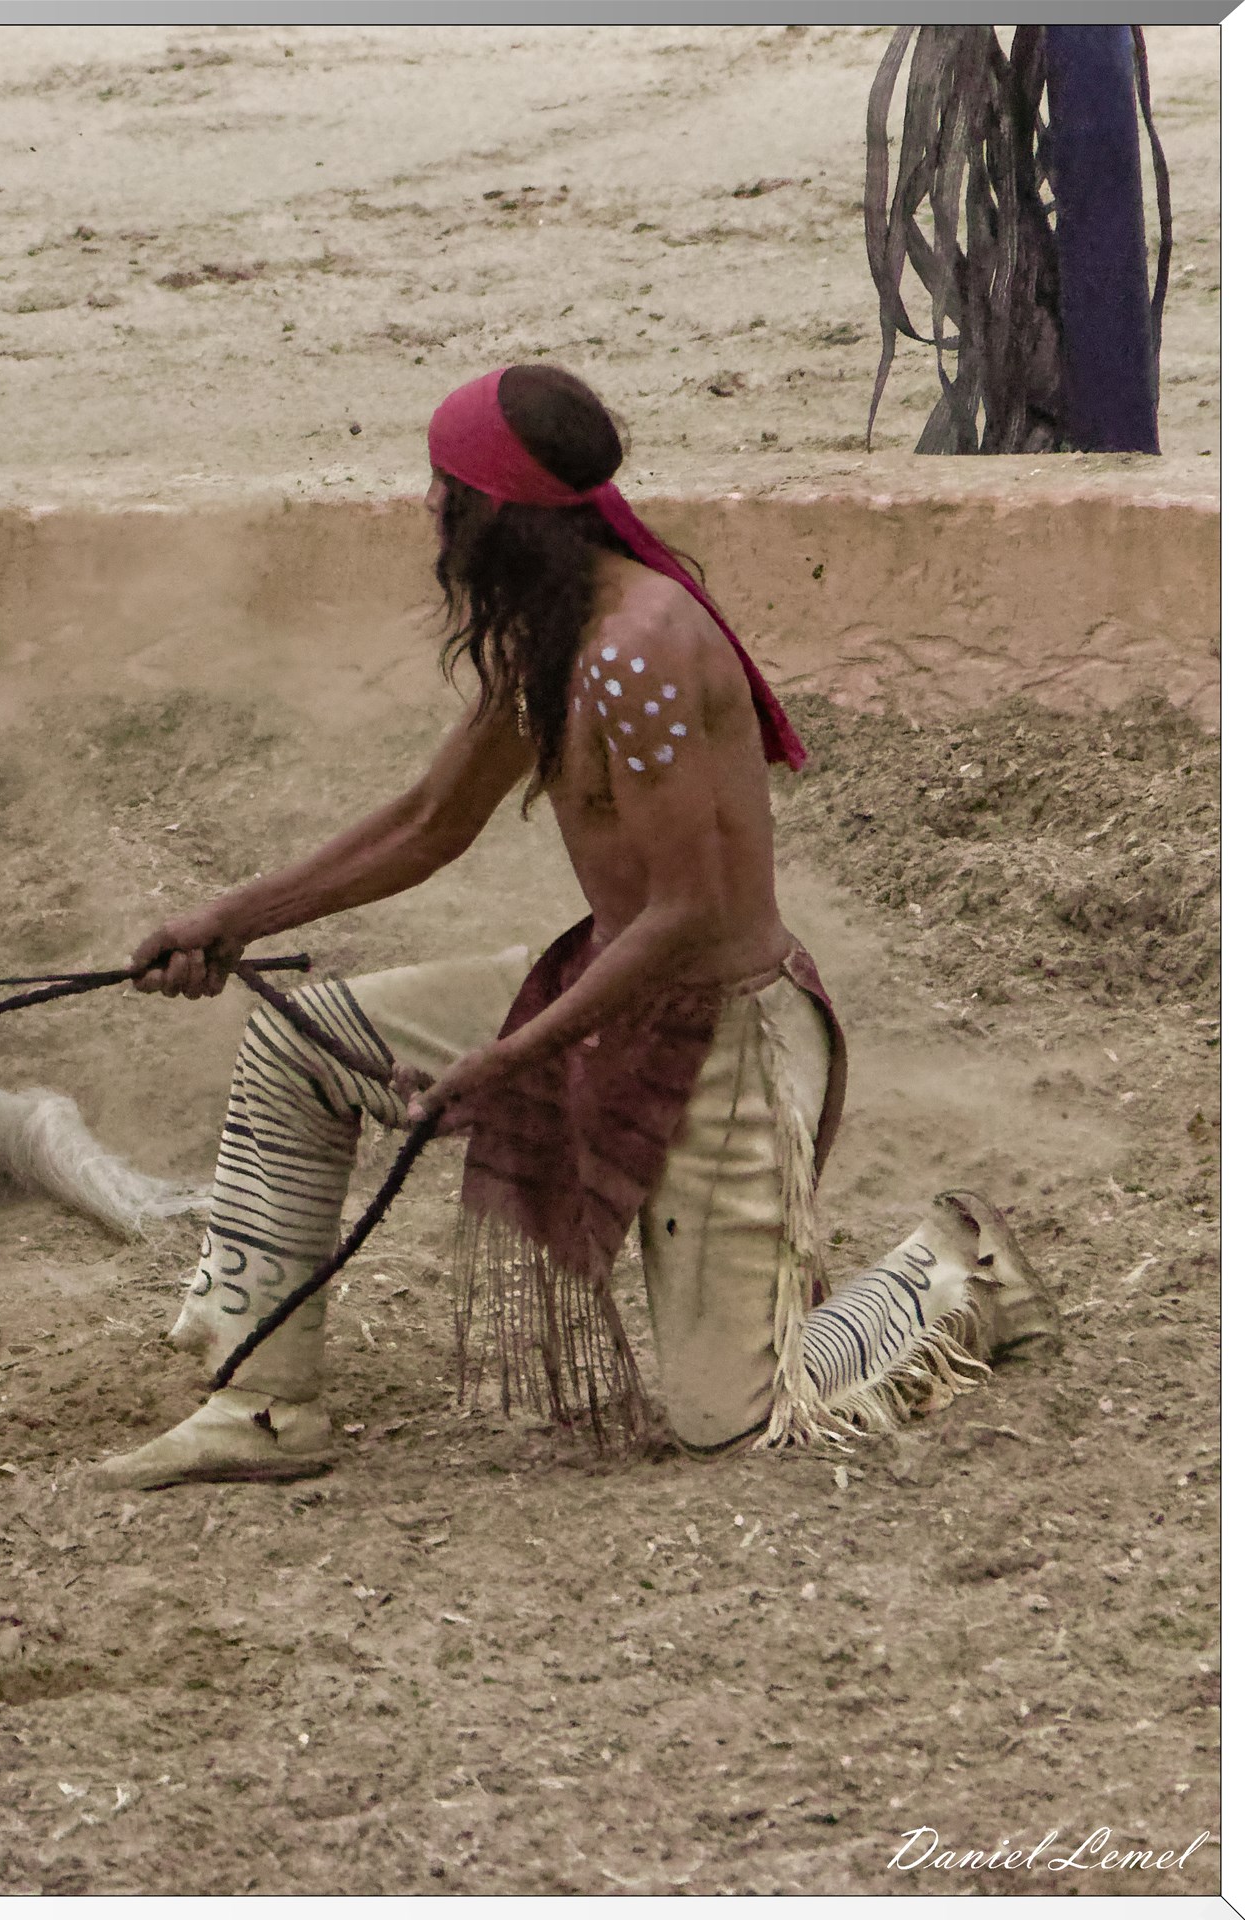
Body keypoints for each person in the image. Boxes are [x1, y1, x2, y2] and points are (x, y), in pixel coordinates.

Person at [95, 365, 1057, 1491]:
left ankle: (955, 1268)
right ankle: (260, 1404)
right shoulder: (554, 635)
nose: (431, 513)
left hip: (723, 1034)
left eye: (444, 491)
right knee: (297, 1044)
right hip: (600, 987)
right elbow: (427, 821)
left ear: (497, 512)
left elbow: (689, 913)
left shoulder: (637, 647)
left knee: (739, 1423)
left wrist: (512, 1056)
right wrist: (227, 922)